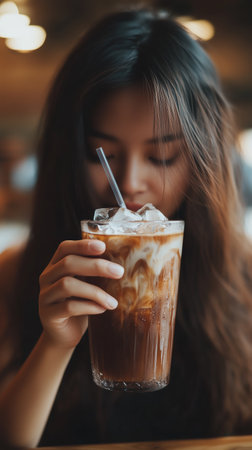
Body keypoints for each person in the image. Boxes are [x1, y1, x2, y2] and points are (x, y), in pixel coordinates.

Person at [0, 6, 252, 449]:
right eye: (104, 154)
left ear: (203, 160)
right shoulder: (13, 273)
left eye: (161, 157)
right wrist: (55, 343)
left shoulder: (244, 277)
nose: (132, 182)